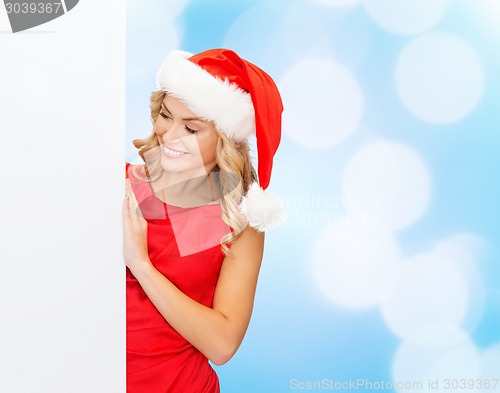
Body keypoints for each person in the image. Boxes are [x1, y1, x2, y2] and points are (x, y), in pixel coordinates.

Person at [122, 48, 285, 392]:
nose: (168, 136)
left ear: (226, 138)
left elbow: (222, 344)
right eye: (166, 116)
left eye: (192, 128)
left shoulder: (238, 219)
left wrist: (141, 264)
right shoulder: (120, 184)